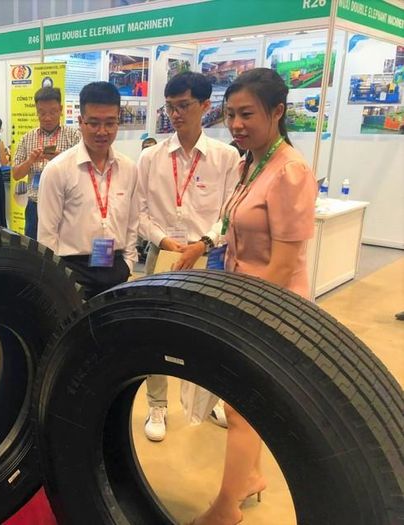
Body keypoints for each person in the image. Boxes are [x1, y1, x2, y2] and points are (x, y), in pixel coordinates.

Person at [186, 68, 317, 525]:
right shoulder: (251, 163)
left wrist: (247, 315)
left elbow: (284, 263)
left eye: (247, 114)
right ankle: (253, 476)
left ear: (277, 112)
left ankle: (226, 508)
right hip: (244, 296)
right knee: (245, 402)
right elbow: (231, 227)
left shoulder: (291, 171)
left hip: (271, 306)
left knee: (241, 409)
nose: (236, 124)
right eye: (230, 114)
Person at [137, 72, 241, 442]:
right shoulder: (151, 157)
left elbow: (230, 214)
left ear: (205, 105)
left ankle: (208, 398)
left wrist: (203, 243)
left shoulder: (227, 157)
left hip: (208, 256)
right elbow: (140, 213)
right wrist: (164, 241)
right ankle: (157, 404)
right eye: (170, 107)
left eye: (184, 106)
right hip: (163, 254)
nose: (176, 114)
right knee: (156, 330)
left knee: (208, 332)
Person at [38, 81, 138, 300]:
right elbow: (47, 235)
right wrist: (57, 280)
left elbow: (132, 223)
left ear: (118, 121)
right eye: (93, 123)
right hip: (73, 270)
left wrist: (128, 264)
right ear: (80, 122)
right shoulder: (58, 170)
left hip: (115, 266)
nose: (102, 131)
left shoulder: (129, 168)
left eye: (110, 123)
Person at [12, 87, 80, 239]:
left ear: (60, 109)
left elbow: (83, 172)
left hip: (65, 205)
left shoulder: (74, 136)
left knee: (64, 249)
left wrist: (60, 159)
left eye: (53, 112)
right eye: (42, 113)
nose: (47, 118)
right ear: (36, 111)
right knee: (34, 248)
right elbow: (16, 174)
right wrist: (30, 161)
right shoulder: (27, 138)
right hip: (35, 205)